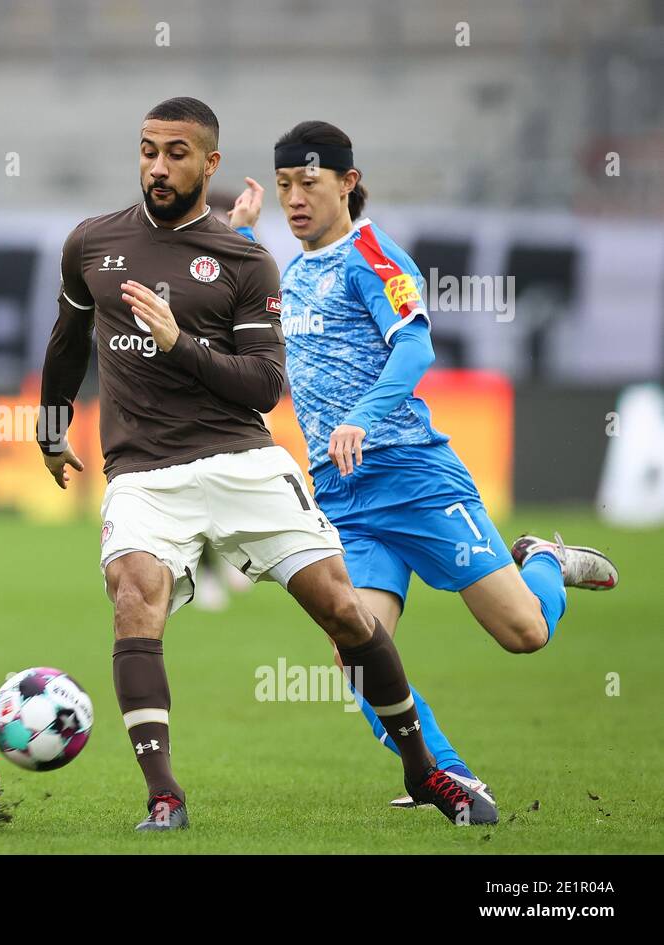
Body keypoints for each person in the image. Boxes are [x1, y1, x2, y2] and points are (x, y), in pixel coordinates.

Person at [36, 96, 496, 831]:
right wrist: (51, 425)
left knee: (343, 611)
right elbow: (66, 340)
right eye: (148, 150)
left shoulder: (246, 258)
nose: (158, 166)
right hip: (145, 472)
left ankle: (424, 768)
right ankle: (164, 796)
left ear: (209, 162)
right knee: (133, 597)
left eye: (176, 153)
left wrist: (178, 341)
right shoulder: (92, 242)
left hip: (242, 460)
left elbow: (263, 385)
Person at [228, 119, 618, 808]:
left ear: (348, 183)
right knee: (357, 657)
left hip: (412, 475)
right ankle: (448, 774)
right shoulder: (292, 269)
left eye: (308, 183)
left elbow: (413, 349)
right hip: (344, 498)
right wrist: (241, 238)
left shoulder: (376, 256)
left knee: (523, 632)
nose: (294, 198)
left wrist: (362, 417)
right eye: (285, 184)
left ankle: (547, 560)